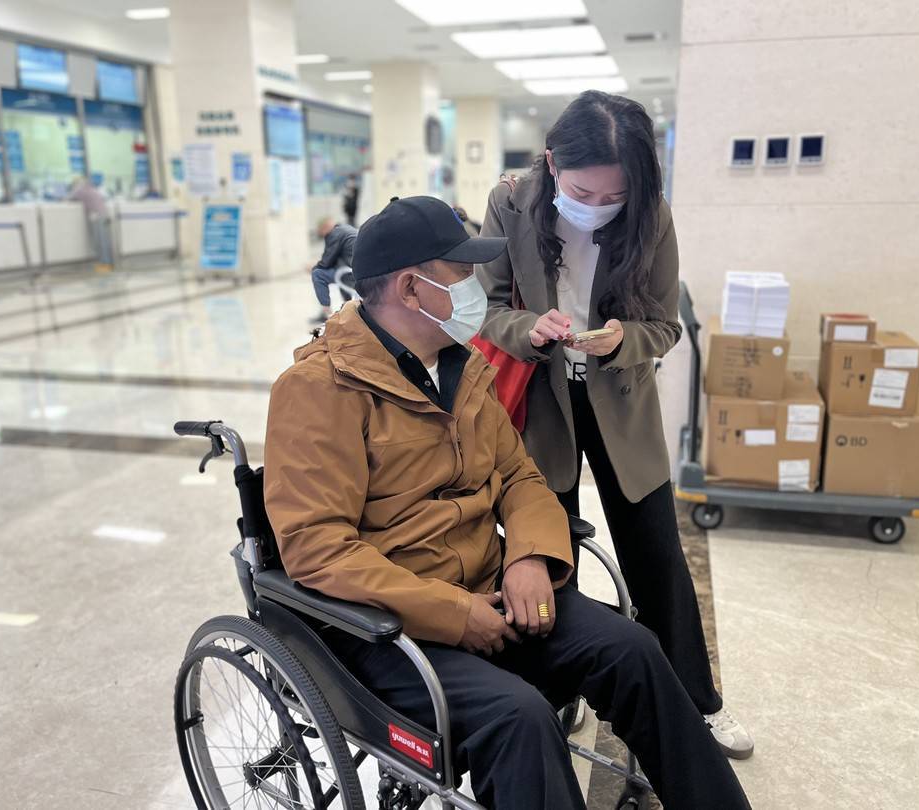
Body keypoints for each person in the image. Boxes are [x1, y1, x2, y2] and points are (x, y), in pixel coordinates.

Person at [263, 195, 751, 810]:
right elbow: (317, 549)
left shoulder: (461, 368)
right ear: (411, 289)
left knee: (633, 650)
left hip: (492, 587)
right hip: (384, 630)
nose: (476, 287)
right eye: (461, 272)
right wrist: (452, 612)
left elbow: (520, 476)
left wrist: (530, 558)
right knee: (519, 718)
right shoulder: (318, 389)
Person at [476, 91, 754, 759]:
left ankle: (697, 703)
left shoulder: (652, 215)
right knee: (551, 554)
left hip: (622, 400)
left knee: (657, 555)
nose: (598, 207)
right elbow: (483, 308)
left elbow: (665, 325)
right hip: (541, 402)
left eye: (614, 197)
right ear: (552, 163)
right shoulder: (511, 201)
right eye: (582, 192)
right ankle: (557, 693)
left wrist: (623, 338)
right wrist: (527, 329)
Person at [309, 217, 358, 324]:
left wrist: (313, 267)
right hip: (356, 270)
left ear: (325, 227)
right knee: (338, 271)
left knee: (318, 274)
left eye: (321, 232)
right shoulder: (345, 229)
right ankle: (348, 310)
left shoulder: (334, 234)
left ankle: (326, 313)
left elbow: (326, 262)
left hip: (349, 273)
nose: (323, 236)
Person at [67, 176, 112, 271]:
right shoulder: (93, 189)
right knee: (105, 240)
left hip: (97, 217)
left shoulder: (79, 190)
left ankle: (105, 265)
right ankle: (107, 263)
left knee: (100, 241)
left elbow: (69, 199)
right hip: (104, 215)